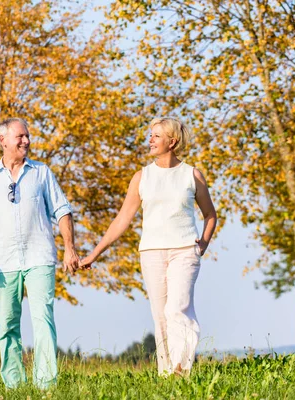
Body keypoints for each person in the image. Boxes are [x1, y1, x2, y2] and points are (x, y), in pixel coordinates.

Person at [80, 117, 217, 375]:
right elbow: (122, 220)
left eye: (156, 136)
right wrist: (94, 254)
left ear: (172, 142)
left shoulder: (192, 175)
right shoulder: (142, 177)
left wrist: (204, 244)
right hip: (152, 253)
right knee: (161, 316)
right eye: (150, 135)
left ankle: (181, 370)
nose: (150, 140)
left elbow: (210, 214)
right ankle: (166, 375)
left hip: (184, 251)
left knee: (178, 308)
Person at [0, 118, 80, 389]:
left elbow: (62, 210)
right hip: (3, 262)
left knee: (43, 321)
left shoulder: (41, 172)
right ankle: (14, 385)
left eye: (27, 136)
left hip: (40, 257)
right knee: (7, 325)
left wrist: (70, 248)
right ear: (3, 140)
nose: (26, 141)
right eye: (20, 136)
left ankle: (46, 385)